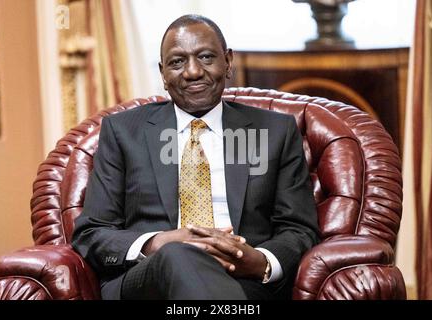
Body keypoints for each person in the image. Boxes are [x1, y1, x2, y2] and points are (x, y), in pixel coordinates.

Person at [72, 14, 319, 300]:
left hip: (243, 282)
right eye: (177, 62)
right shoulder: (123, 132)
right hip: (148, 280)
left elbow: (299, 228)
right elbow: (91, 232)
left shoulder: (275, 131)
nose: (192, 72)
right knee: (179, 255)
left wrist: (260, 261)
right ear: (163, 74)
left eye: (205, 57)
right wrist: (159, 242)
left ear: (228, 62)